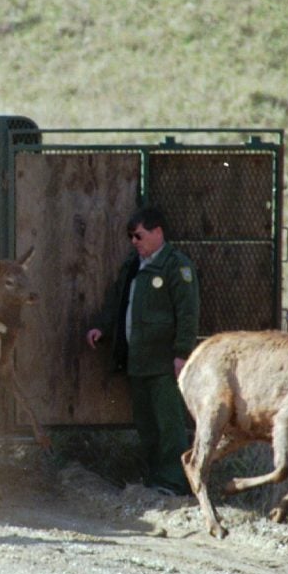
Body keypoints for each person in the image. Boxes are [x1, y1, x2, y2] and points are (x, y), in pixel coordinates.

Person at [86, 207, 200, 496]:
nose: (134, 241)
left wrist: (182, 353)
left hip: (163, 362)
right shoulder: (133, 265)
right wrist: (102, 327)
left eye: (139, 235)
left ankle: (175, 482)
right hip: (138, 360)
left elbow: (188, 313)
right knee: (147, 424)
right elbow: (118, 302)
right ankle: (156, 480)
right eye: (130, 237)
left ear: (158, 232)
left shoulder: (176, 266)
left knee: (169, 425)